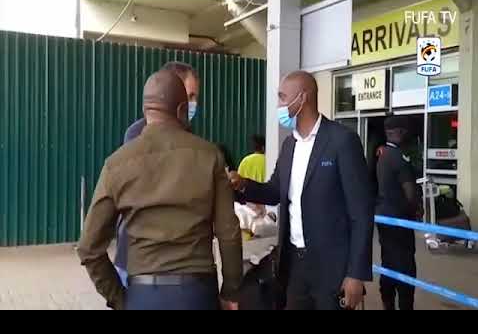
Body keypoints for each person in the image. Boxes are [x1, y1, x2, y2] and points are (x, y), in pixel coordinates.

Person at [77, 69, 242, 310]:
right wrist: (230, 291)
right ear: (180, 110)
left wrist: (120, 298)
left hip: (143, 295)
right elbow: (229, 233)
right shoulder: (210, 156)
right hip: (198, 295)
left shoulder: (116, 164)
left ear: (146, 110)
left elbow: (88, 248)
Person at [228, 70, 374, 310]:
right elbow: (275, 191)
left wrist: (356, 274)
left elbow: (361, 213)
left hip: (332, 268)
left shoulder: (341, 141)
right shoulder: (289, 144)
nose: (279, 105)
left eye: (282, 97)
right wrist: (242, 185)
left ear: (302, 98)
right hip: (294, 264)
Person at [114, 62, 200, 287]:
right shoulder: (137, 134)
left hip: (176, 260)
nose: (194, 104)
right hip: (139, 260)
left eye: (195, 97)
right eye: (190, 95)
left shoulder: (188, 134)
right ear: (171, 90)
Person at [375, 116, 422, 310]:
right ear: (400, 132)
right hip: (400, 220)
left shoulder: (381, 154)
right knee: (405, 268)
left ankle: (387, 304)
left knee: (388, 262)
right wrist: (417, 210)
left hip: (383, 217)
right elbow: (410, 194)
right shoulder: (400, 158)